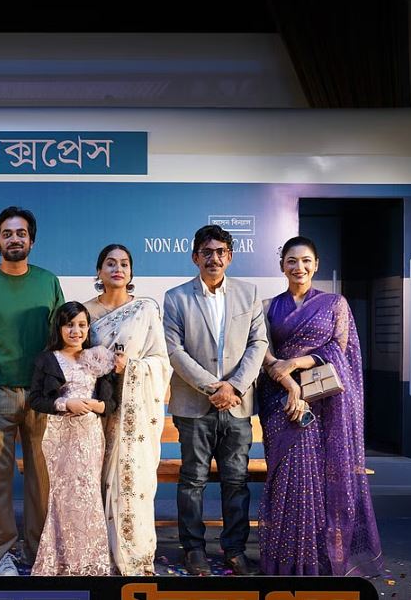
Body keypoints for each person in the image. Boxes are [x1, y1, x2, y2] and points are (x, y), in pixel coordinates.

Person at [257, 236, 382, 576]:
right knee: (288, 479)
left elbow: (339, 350)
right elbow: (262, 350)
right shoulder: (267, 306)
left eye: (306, 260)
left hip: (324, 404)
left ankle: (317, 559)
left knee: (319, 481)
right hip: (280, 401)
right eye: (292, 260)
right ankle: (285, 559)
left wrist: (295, 363)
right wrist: (287, 380)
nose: (299, 267)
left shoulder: (334, 304)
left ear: (316, 265)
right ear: (282, 265)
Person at [0, 206, 63, 576]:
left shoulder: (48, 282)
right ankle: (1, 554)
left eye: (21, 233)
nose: (14, 239)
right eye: (7, 234)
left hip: (42, 396)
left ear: (31, 240)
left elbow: (62, 336)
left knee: (41, 479)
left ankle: (38, 552)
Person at [163, 225, 267, 576]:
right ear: (195, 257)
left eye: (221, 252)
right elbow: (174, 351)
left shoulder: (249, 294)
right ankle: (193, 550)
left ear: (230, 256)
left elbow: (258, 344)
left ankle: (234, 551)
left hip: (237, 404)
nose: (214, 258)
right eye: (207, 252)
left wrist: (234, 387)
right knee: (192, 480)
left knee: (236, 481)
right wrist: (214, 388)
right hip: (194, 406)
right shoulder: (176, 297)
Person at [84, 244, 172, 576]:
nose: (117, 269)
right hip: (95, 412)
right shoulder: (85, 312)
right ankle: (99, 553)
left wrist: (131, 367)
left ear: (131, 272)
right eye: (110, 263)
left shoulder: (145, 310)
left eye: (124, 264)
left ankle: (133, 555)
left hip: (133, 416)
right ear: (99, 271)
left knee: (132, 481)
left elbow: (161, 362)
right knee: (94, 480)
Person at [28, 301, 117, 576]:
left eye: (81, 325)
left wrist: (99, 406)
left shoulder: (98, 357)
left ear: (88, 328)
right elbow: (36, 399)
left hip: (89, 436)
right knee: (62, 495)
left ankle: (91, 560)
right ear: (59, 328)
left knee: (88, 493)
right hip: (59, 435)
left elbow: (110, 403)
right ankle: (61, 559)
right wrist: (65, 404)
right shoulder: (47, 359)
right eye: (69, 325)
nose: (75, 331)